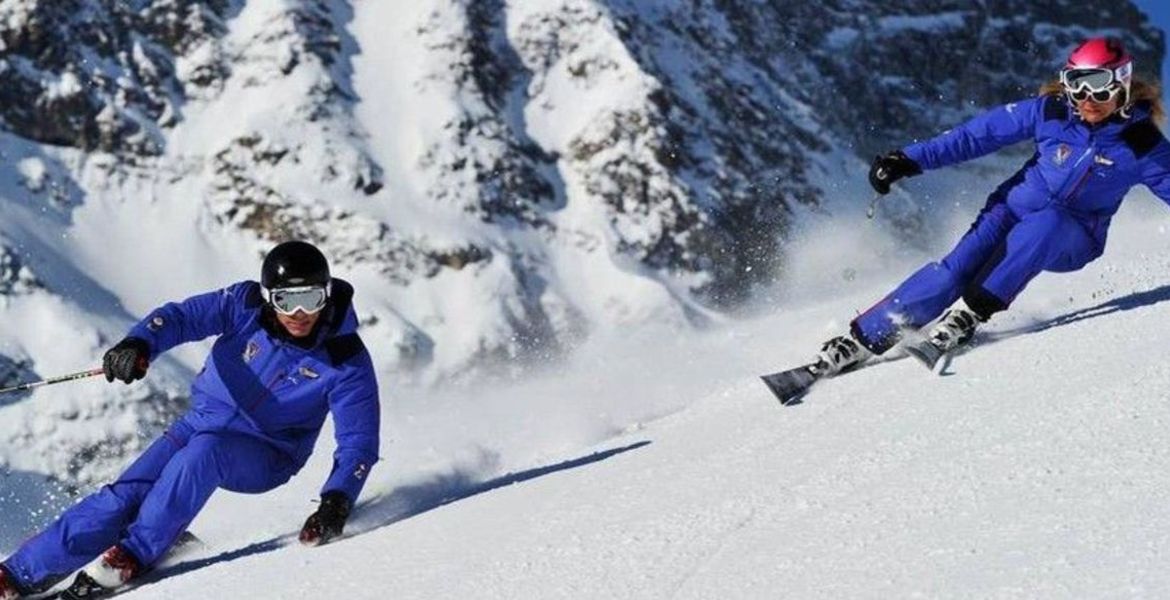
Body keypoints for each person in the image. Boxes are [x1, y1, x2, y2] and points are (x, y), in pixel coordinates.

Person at [0, 241, 380, 599]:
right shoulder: (242, 306)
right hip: (199, 422)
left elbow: (358, 441)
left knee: (205, 453)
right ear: (268, 298)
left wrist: (338, 500)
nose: (300, 314)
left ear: (327, 295)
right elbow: (180, 318)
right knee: (121, 497)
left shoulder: (345, 360)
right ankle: (18, 574)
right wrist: (140, 343)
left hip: (268, 453)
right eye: (286, 300)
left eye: (311, 299)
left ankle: (134, 553)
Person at [813, 36, 1170, 374]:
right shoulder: (1052, 112)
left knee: (1049, 222)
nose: (1086, 95)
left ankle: (970, 313)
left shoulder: (1142, 145)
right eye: (1075, 82)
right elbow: (977, 136)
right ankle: (861, 340)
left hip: (1072, 236)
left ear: (1121, 82)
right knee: (953, 272)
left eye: (1098, 83)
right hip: (1009, 211)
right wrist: (907, 160)